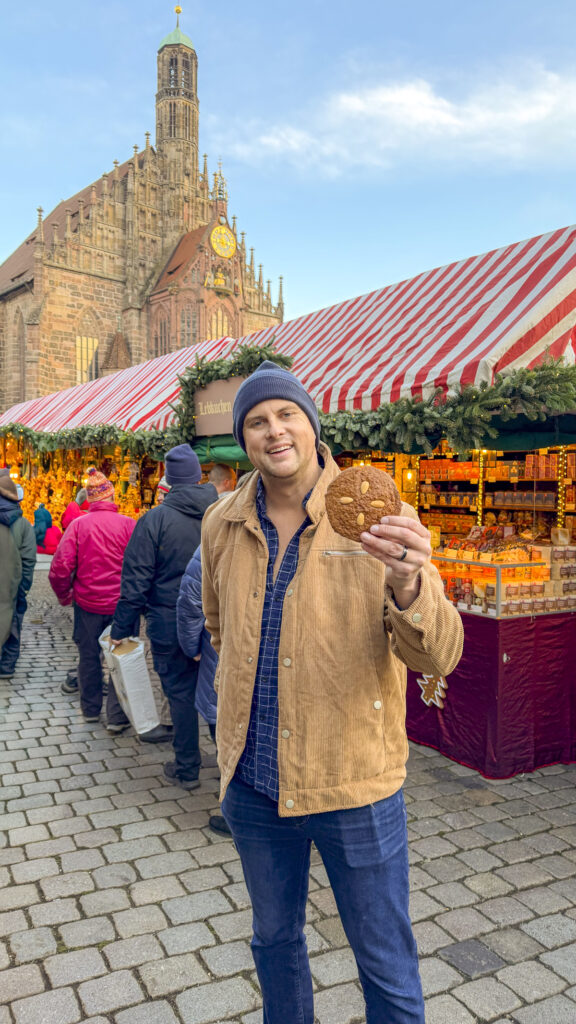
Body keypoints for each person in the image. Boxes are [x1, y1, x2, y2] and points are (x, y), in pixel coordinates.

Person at [200, 361, 464, 1024]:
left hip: (354, 784)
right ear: (245, 440)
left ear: (311, 424)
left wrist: (409, 587)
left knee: (385, 961)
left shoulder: (380, 517)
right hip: (254, 784)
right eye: (256, 421)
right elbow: (217, 625)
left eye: (286, 413)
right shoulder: (221, 523)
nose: (273, 430)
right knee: (275, 942)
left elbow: (438, 653)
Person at [110, 444, 217, 786]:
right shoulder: (220, 514)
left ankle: (187, 767)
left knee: (181, 693)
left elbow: (135, 581)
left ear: (168, 479)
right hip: (215, 622)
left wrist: (121, 628)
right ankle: (234, 774)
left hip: (168, 621)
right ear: (197, 476)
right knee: (219, 693)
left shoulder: (155, 520)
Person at [48, 470, 135, 731]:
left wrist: (66, 595)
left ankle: (90, 709)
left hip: (87, 604)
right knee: (122, 657)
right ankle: (117, 717)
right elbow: (141, 566)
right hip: (121, 606)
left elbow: (60, 568)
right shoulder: (129, 524)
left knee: (88, 657)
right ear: (111, 495)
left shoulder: (78, 525)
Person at [177, 463, 237, 836]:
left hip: (220, 660)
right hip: (227, 659)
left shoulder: (216, 532)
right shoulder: (214, 532)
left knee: (228, 738)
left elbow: (190, 600)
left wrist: (191, 646)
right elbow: (193, 598)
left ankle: (237, 812)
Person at [0, 472, 36, 678]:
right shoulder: (22, 524)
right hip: (13, 586)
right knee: (13, 623)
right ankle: (6, 666)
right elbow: (29, 559)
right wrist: (24, 585)